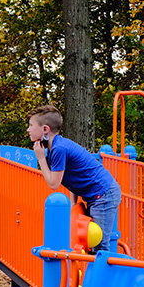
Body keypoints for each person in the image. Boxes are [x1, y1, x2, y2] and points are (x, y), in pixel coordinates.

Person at [28, 104, 122, 252]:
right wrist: (73, 202)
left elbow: (53, 183)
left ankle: (100, 274)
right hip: (98, 195)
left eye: (31, 125)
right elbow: (74, 175)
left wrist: (40, 159)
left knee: (99, 247)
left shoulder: (58, 149)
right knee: (90, 241)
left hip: (103, 194)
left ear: (45, 129)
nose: (28, 129)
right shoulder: (56, 147)